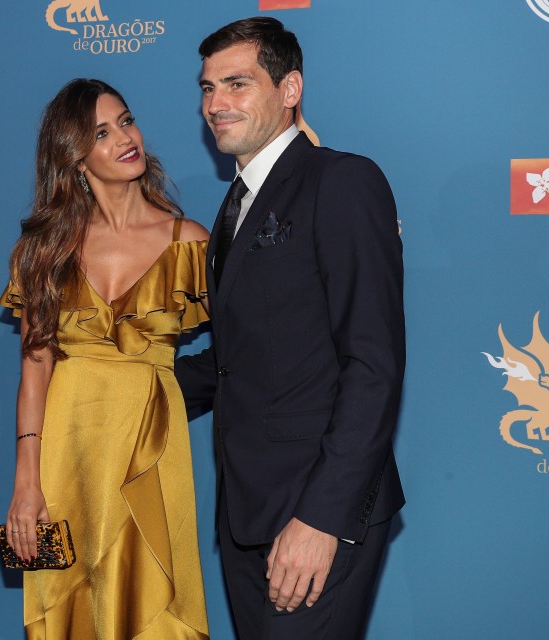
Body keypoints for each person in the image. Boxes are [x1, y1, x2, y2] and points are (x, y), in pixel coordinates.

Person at [175, 17, 406, 640]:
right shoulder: (236, 203)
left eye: (236, 84)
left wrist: (320, 520)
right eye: (206, 88)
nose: (215, 104)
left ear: (290, 88)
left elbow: (373, 365)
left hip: (316, 510)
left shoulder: (341, 181)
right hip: (247, 511)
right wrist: (117, 378)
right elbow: (238, 362)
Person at [0, 78, 211, 639]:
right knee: (77, 608)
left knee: (154, 607)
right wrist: (26, 485)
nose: (125, 137)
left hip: (151, 446)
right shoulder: (43, 253)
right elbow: (34, 368)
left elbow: (249, 351)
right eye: (101, 132)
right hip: (68, 452)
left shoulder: (189, 243)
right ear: (75, 158)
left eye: (126, 120)